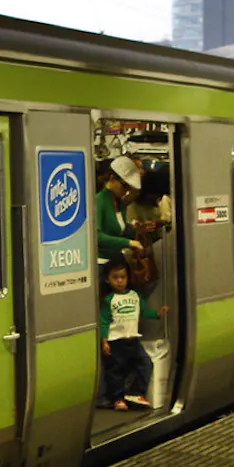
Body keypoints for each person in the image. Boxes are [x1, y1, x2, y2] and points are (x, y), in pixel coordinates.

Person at [99, 258, 169, 411]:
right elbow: (103, 321)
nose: (119, 281)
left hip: (133, 339)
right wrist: (104, 341)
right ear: (107, 280)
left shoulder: (135, 296)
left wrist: (158, 314)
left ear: (128, 278)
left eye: (122, 277)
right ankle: (117, 398)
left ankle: (135, 392)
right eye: (115, 278)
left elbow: (144, 312)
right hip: (116, 340)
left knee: (145, 364)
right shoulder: (108, 300)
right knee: (116, 371)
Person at [96, 156, 145, 264]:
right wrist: (128, 243)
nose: (127, 191)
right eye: (124, 186)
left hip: (114, 261)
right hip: (100, 262)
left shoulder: (120, 203)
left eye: (129, 188)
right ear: (112, 178)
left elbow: (118, 230)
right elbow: (96, 236)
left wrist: (135, 228)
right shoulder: (99, 200)